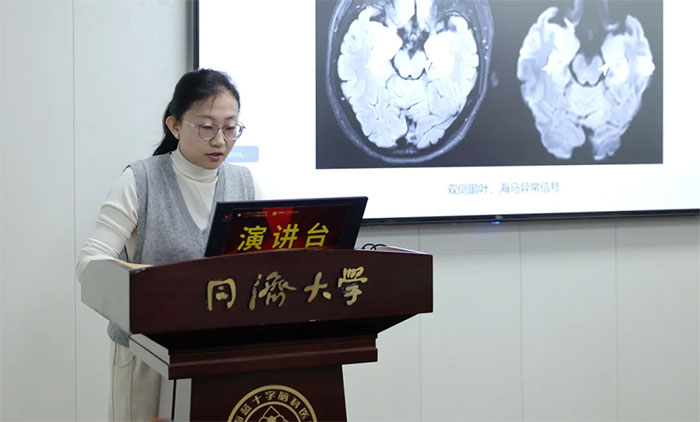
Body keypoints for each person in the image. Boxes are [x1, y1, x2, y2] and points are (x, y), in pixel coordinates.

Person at [76, 68, 254, 421]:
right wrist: (158, 279)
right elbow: (89, 263)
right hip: (147, 355)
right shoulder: (140, 181)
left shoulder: (244, 183)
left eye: (230, 128)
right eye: (207, 127)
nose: (220, 140)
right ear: (175, 126)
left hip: (219, 353)